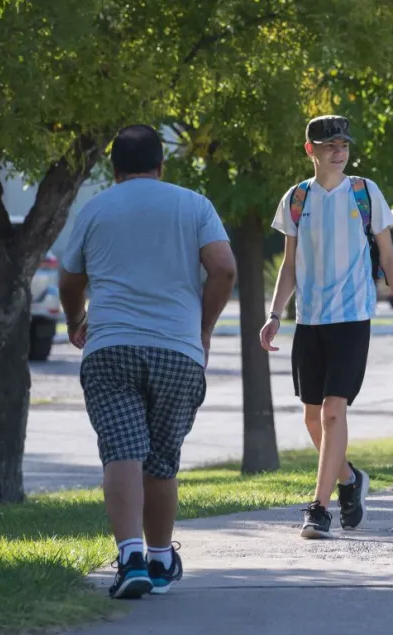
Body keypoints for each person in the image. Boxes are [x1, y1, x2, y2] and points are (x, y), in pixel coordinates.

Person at [59, 124, 236, 598]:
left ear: (112, 168)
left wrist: (77, 319)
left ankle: (131, 557)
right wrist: (203, 329)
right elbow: (223, 269)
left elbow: (69, 278)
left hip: (110, 346)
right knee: (160, 462)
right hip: (177, 351)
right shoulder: (193, 204)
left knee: (122, 452)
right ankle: (161, 562)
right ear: (162, 165)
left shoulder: (95, 208)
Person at [260, 114, 393, 539]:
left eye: (343, 144)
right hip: (309, 320)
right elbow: (289, 265)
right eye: (329, 144)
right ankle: (349, 480)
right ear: (310, 150)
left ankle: (318, 509)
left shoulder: (365, 193)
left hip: (352, 318)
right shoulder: (296, 199)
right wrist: (275, 315)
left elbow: (389, 258)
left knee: (333, 412)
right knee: (313, 419)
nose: (338, 151)